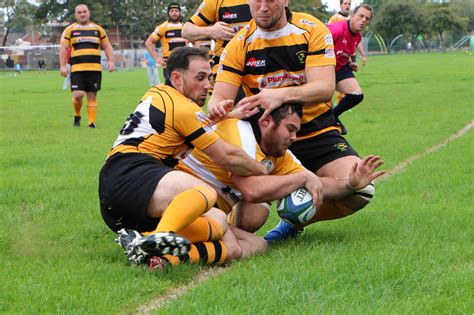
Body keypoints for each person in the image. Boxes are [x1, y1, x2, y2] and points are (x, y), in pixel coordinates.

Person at [209, 0, 380, 243]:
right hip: (268, 139)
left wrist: (279, 95)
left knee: (361, 190)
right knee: (248, 222)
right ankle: (226, 224)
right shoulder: (238, 44)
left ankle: (292, 220)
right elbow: (218, 99)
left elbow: (324, 88)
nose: (263, 7)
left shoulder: (311, 29)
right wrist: (220, 108)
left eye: (271, 0)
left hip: (317, 130)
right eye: (257, 0)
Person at [99, 47, 268, 270]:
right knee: (203, 192)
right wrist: (264, 171)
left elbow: (184, 125)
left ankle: (158, 253)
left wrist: (223, 117)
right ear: (177, 78)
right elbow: (227, 157)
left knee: (225, 228)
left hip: (125, 193)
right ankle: (157, 239)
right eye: (200, 78)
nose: (208, 86)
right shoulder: (183, 107)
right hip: (130, 173)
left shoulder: (162, 94)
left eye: (210, 77)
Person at [177, 104, 384, 234]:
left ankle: (224, 232)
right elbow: (252, 190)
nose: (294, 138)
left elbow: (316, 184)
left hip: (210, 208)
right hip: (179, 197)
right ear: (266, 121)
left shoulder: (280, 155)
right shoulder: (240, 132)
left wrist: (350, 184)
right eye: (290, 129)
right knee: (238, 244)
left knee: (257, 244)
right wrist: (301, 178)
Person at [59, 4, 115, 128]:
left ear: (89, 13)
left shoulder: (98, 30)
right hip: (77, 69)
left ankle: (91, 122)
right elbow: (63, 48)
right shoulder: (70, 30)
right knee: (78, 95)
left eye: (84, 12)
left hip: (94, 69)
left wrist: (111, 61)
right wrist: (63, 66)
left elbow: (107, 46)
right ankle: (77, 114)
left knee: (92, 95)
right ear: (76, 15)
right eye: (79, 12)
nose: (82, 14)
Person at [328, 4, 373, 134]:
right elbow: (316, 43)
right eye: (361, 16)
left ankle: (332, 116)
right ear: (352, 16)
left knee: (357, 95)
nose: (364, 20)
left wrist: (350, 63)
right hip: (326, 69)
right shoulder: (336, 29)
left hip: (341, 68)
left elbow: (344, 52)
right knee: (322, 100)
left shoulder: (358, 36)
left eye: (367, 18)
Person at [182, 0, 252, 76]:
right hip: (226, 64)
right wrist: (211, 31)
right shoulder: (215, 1)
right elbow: (186, 31)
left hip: (259, 62)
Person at [145, 2, 188, 81]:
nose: (174, 13)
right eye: (172, 11)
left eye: (176, 10)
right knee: (171, 91)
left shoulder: (186, 27)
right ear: (168, 13)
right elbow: (149, 42)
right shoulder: (162, 27)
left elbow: (195, 42)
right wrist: (157, 58)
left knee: (185, 91)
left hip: (184, 65)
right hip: (169, 65)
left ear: (180, 13)